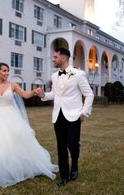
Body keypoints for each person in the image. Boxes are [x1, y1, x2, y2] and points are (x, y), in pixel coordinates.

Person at [37, 47, 94, 187]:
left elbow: (89, 94)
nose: (53, 59)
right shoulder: (54, 76)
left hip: (74, 115)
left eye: (55, 57)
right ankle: (64, 176)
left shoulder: (79, 74)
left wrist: (84, 112)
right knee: (61, 147)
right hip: (58, 116)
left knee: (73, 145)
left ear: (63, 58)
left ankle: (74, 165)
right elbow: (55, 94)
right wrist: (44, 95)